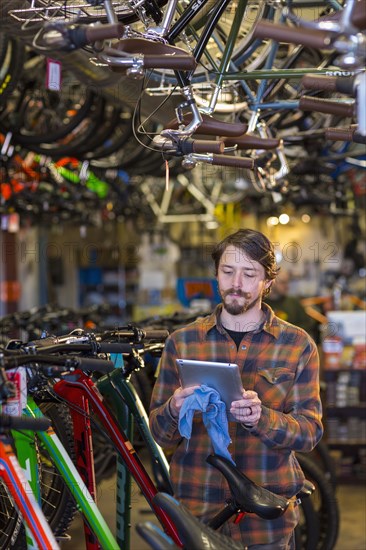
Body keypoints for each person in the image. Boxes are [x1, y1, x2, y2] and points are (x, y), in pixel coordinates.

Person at [149, 228, 323, 550]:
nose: (236, 284)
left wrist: (262, 419)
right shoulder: (183, 342)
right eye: (228, 272)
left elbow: (309, 433)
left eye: (249, 274)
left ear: (267, 282)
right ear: (217, 273)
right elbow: (159, 435)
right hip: (198, 514)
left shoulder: (297, 345)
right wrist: (174, 408)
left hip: (265, 521)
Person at [264, 268, 318, 340]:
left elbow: (307, 326)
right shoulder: (262, 304)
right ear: (271, 282)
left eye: (287, 282)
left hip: (292, 345)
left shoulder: (294, 303)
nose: (287, 286)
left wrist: (289, 333)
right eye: (283, 282)